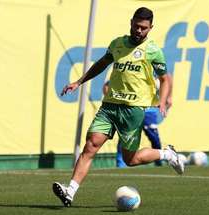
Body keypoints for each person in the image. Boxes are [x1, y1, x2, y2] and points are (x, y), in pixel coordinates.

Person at [53, 7, 185, 207]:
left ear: (151, 28)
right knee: (91, 145)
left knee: (130, 159)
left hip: (133, 110)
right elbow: (101, 64)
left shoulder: (153, 51)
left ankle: (167, 154)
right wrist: (78, 82)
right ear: (131, 22)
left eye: (144, 28)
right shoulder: (117, 44)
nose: (139, 31)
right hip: (110, 106)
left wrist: (163, 100)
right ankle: (70, 192)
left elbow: (165, 79)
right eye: (136, 26)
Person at [102, 74, 173, 167]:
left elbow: (168, 78)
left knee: (154, 137)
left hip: (149, 109)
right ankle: (120, 165)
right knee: (125, 138)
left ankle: (159, 162)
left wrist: (168, 97)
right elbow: (107, 86)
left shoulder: (154, 65)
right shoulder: (130, 67)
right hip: (131, 109)